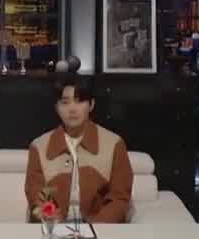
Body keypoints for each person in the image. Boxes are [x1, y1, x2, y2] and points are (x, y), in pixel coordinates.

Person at [25, 73, 133, 223]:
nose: (72, 109)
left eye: (79, 101)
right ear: (56, 107)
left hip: (101, 228)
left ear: (91, 105)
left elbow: (119, 198)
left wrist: (96, 228)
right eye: (65, 102)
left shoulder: (114, 144)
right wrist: (55, 225)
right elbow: (37, 194)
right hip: (54, 228)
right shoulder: (39, 146)